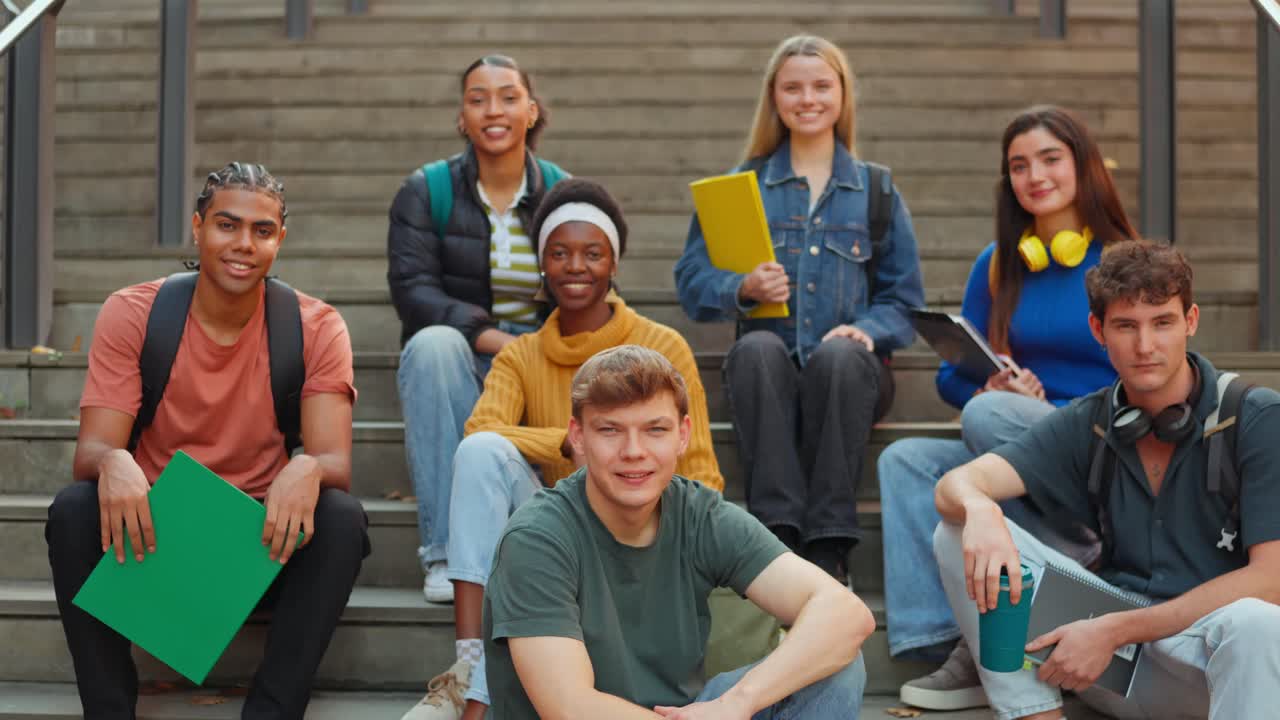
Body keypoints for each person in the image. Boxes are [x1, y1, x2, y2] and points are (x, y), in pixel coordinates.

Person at [45, 163, 365, 719]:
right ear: (197, 228)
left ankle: (271, 713)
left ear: (280, 240)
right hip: (153, 542)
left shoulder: (315, 326)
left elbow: (334, 458)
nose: (244, 244)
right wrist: (114, 460)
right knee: (74, 508)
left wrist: (307, 467)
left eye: (262, 231)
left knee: (341, 517)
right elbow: (91, 451)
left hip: (259, 548)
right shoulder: (134, 313)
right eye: (227, 225)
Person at [401, 179, 724, 720]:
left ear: (613, 264)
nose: (576, 266)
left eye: (592, 253)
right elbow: (481, 431)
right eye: (560, 253)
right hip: (550, 531)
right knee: (480, 453)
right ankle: (469, 669)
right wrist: (569, 445)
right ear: (542, 266)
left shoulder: (664, 347)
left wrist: (621, 479)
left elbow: (704, 476)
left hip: (637, 524)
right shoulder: (521, 355)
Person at [931, 240, 1280, 720]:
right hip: (1105, 663)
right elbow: (957, 484)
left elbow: (1272, 579)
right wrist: (981, 510)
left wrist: (1117, 630)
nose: (1145, 346)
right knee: (954, 530)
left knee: (1259, 622)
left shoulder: (1256, 415)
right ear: (1098, 329)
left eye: (1162, 322)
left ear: (1191, 321)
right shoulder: (1091, 419)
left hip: (1209, 661)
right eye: (1125, 326)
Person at [878, 105, 1140, 710]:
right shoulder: (997, 266)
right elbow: (951, 376)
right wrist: (989, 387)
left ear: (1083, 166)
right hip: (1018, 429)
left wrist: (1049, 404)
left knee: (988, 422)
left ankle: (1077, 551)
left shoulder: (1122, 258)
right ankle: (956, 637)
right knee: (908, 461)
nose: (1034, 175)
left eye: (1050, 159)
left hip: (1102, 435)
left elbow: (1153, 369)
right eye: (1019, 165)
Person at [480, 344, 872, 718]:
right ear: (578, 436)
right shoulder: (537, 537)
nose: (634, 451)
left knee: (833, 662)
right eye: (610, 430)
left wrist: (737, 703)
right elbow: (569, 707)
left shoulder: (698, 514)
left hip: (684, 714)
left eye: (655, 430)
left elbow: (845, 613)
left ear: (683, 435)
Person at [673, 34, 924, 586]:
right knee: (756, 350)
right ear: (774, 97)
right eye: (793, 87)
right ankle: (778, 535)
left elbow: (905, 302)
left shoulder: (876, 190)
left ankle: (830, 545)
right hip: (770, 371)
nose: (807, 98)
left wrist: (865, 331)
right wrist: (743, 286)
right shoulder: (746, 184)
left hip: (850, 375)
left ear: (842, 94)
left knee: (838, 357)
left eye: (821, 85)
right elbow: (691, 280)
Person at [387, 54, 567, 604]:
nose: (495, 110)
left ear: (532, 112)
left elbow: (590, 280)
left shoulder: (561, 192)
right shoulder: (427, 190)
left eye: (509, 97)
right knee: (431, 346)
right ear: (461, 118)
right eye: (478, 98)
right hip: (466, 358)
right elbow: (413, 291)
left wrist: (541, 353)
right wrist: (498, 342)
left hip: (540, 363)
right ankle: (446, 553)